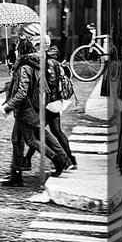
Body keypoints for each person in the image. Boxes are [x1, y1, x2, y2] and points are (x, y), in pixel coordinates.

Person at [0, 25, 72, 187]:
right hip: (33, 107)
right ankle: (17, 173)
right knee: (21, 138)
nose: (16, 47)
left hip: (26, 108)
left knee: (31, 140)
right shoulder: (34, 62)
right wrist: (11, 79)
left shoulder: (26, 65)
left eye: (19, 44)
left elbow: (23, 91)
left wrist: (7, 107)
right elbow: (27, 84)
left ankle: (58, 159)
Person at [21, 34, 77, 170]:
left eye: (36, 45)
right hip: (56, 102)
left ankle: (62, 160)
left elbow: (47, 85)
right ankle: (70, 159)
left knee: (37, 133)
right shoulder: (53, 59)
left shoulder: (45, 61)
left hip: (48, 103)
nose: (34, 48)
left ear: (42, 46)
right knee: (56, 132)